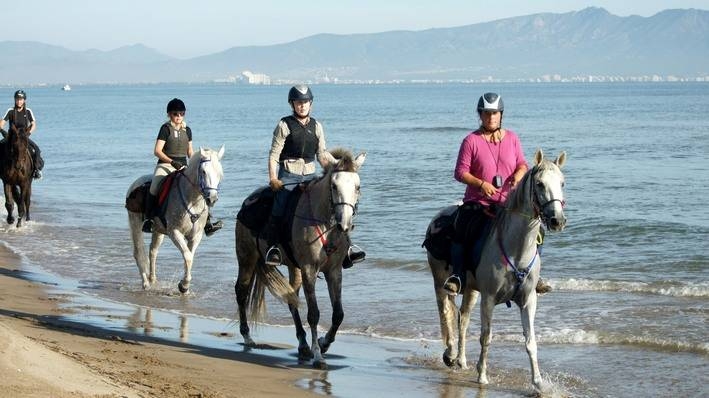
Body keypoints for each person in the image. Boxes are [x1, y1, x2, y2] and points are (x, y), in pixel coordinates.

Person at [443, 92, 550, 295]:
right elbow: (460, 172)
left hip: (510, 204)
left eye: (495, 113)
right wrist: (481, 184)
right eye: (486, 113)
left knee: (538, 231)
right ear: (480, 115)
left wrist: (519, 174)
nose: (491, 117)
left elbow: (522, 163)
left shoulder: (512, 138)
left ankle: (536, 276)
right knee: (461, 228)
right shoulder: (471, 141)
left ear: (501, 115)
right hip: (479, 202)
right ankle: (457, 276)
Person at [264, 84, 365, 268]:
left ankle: (347, 249)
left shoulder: (317, 126)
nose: (302, 105)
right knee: (279, 208)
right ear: (292, 104)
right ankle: (274, 249)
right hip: (288, 176)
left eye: (305, 102)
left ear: (310, 103)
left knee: (335, 206)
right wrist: (273, 178)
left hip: (310, 176)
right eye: (298, 102)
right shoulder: (284, 125)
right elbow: (273, 155)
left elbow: (322, 155)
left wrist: (337, 169)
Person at [141, 98, 223, 235]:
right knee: (154, 186)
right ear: (169, 114)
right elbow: (157, 151)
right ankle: (149, 219)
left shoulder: (187, 130)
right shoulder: (165, 129)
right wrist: (172, 162)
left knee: (201, 187)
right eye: (175, 114)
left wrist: (199, 160)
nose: (178, 116)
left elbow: (190, 152)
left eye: (181, 114)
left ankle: (207, 222)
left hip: (183, 166)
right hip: (166, 165)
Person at [0, 90, 44, 179]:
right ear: (15, 100)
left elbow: (33, 124)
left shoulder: (28, 111)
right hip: (12, 137)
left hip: (24, 137)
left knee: (36, 150)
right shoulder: (10, 111)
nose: (19, 101)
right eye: (17, 99)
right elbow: (1, 124)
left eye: (21, 99)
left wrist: (28, 133)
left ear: (24, 100)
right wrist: (4, 133)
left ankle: (36, 170)